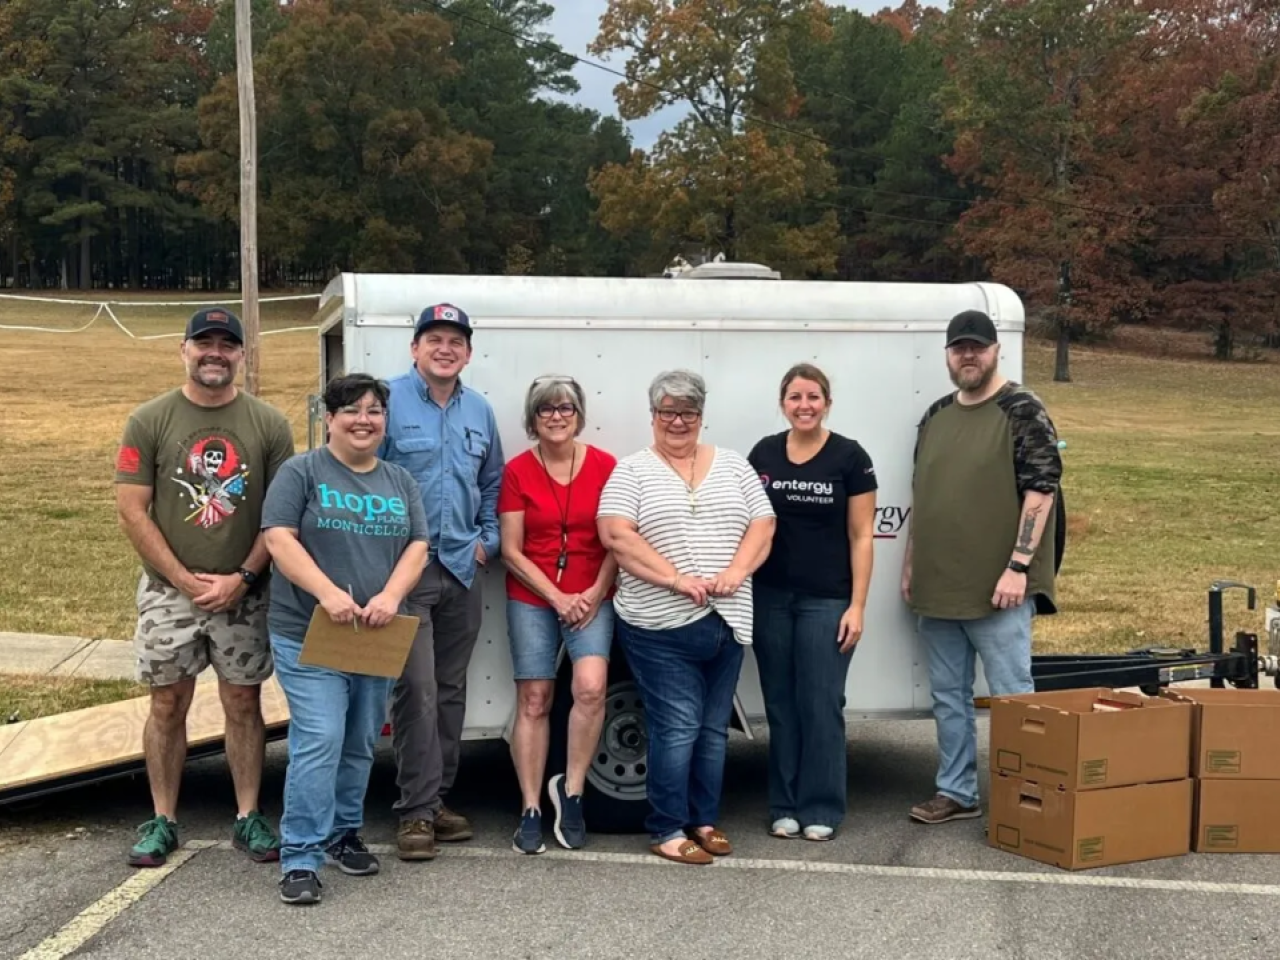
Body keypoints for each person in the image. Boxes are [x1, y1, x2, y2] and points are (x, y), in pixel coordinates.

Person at [113, 306, 294, 868]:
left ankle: (247, 815)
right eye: (204, 343)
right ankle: (162, 818)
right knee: (168, 702)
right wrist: (183, 578)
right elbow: (132, 510)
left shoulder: (268, 424)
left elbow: (280, 515)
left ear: (242, 355)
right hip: (171, 593)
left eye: (227, 345)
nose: (215, 353)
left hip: (244, 593)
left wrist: (242, 577)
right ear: (184, 350)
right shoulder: (150, 420)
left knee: (243, 701)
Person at [261, 373, 429, 905]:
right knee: (321, 738)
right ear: (329, 419)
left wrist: (390, 597)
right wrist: (328, 593)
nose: (364, 419)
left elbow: (418, 546)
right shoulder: (302, 472)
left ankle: (342, 833)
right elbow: (278, 538)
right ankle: (301, 855)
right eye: (351, 410)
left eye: (375, 410)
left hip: (374, 632)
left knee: (360, 739)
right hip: (310, 632)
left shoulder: (400, 481)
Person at [598, 370, 776, 865]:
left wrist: (738, 571)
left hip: (729, 620)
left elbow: (764, 524)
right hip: (657, 625)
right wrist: (676, 579)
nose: (678, 421)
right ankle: (666, 827)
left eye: (688, 412)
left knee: (713, 730)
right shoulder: (631, 471)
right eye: (668, 412)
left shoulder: (735, 466)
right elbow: (617, 536)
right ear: (652, 416)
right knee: (676, 726)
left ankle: (703, 820)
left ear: (702, 416)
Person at [902, 309, 1062, 824]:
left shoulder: (1021, 408)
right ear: (948, 355)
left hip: (1000, 590)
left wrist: (1018, 566)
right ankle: (957, 792)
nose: (968, 355)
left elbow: (1042, 491)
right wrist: (910, 566)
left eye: (977, 346)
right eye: (959, 347)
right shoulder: (936, 416)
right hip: (938, 588)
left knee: (1014, 699)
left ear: (996, 351)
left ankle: (1027, 797)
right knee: (949, 699)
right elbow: (920, 497)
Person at [379, 302, 505, 860]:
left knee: (451, 691)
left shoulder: (480, 410)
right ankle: (414, 813)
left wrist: (489, 541)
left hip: (461, 568)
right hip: (406, 573)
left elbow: (494, 482)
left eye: (456, 340)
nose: (445, 348)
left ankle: (437, 800)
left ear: (468, 353)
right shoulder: (384, 402)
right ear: (415, 348)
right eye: (434, 339)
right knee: (417, 689)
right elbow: (363, 475)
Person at [747, 363, 878, 842]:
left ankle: (821, 806)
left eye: (813, 397)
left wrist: (857, 605)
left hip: (828, 600)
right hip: (771, 598)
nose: (804, 405)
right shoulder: (763, 453)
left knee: (822, 704)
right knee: (781, 704)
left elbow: (862, 535)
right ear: (783, 403)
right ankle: (784, 805)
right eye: (795, 397)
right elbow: (751, 524)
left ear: (827, 403)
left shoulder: (850, 457)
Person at [498, 375, 618, 854]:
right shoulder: (517, 472)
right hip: (533, 596)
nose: (556, 416)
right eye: (546, 409)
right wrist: (557, 597)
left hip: (593, 595)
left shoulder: (606, 467)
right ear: (532, 419)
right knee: (534, 698)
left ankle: (571, 794)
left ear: (579, 415)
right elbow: (511, 550)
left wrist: (591, 591)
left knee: (590, 687)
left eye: (566, 408)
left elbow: (616, 540)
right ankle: (530, 807)